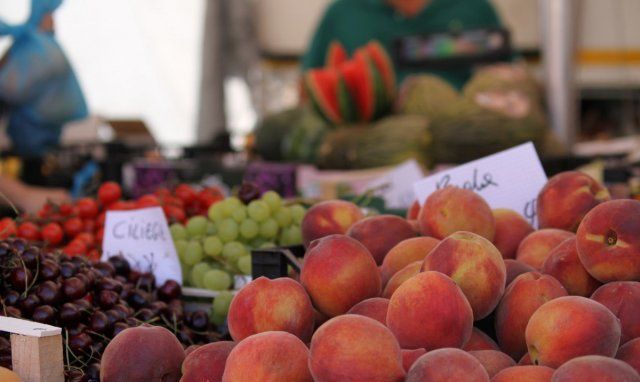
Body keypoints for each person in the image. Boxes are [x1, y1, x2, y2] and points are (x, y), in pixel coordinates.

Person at [302, 0, 505, 89]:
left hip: (465, 157)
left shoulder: (475, 7)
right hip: (371, 157)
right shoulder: (342, 14)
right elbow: (309, 87)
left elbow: (509, 80)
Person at [0, 0, 88, 157]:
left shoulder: (37, 46)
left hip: (36, 133)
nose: (54, 22)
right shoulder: (38, 48)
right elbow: (11, 88)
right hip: (30, 133)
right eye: (49, 15)